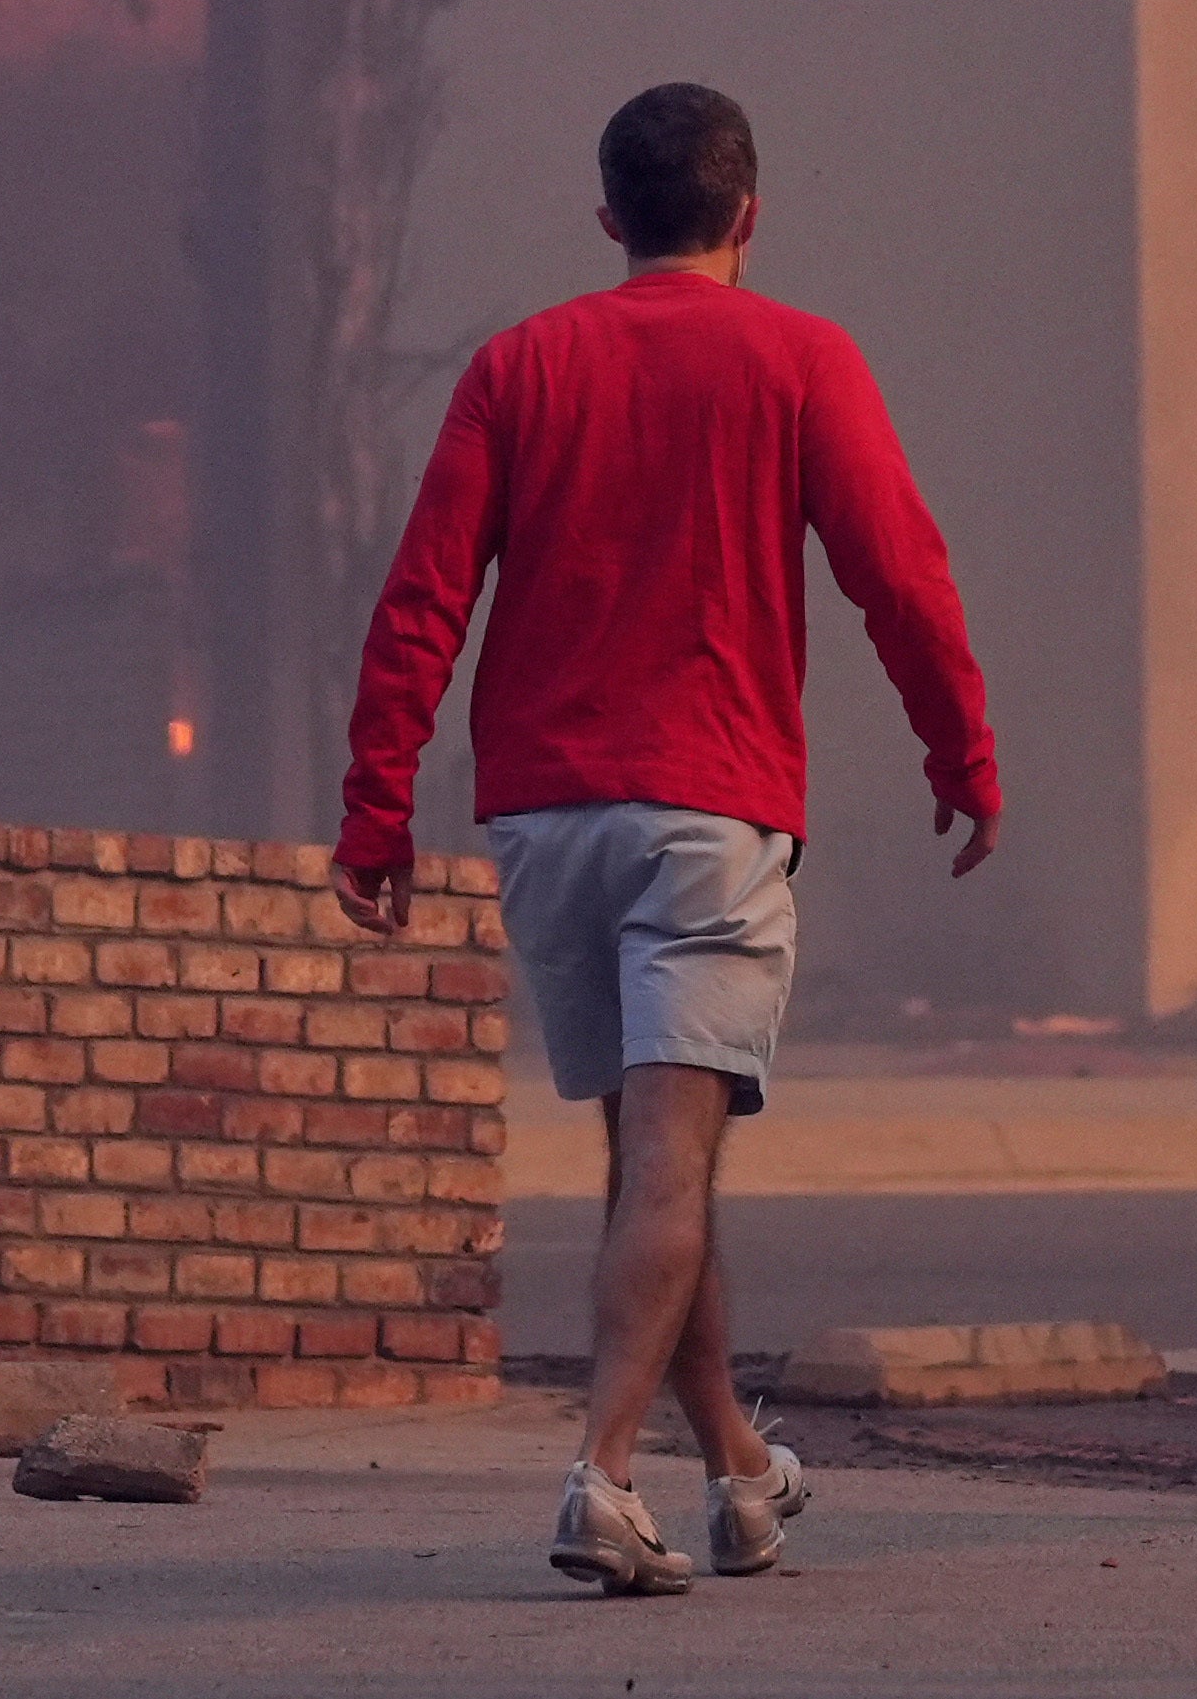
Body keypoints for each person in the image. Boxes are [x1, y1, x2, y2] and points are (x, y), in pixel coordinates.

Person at [331, 80, 1003, 1596]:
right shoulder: (801, 357)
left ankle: (745, 1477)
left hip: (549, 816)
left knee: (657, 1156)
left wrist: (380, 803)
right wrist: (958, 750)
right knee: (670, 1164)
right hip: (710, 805)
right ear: (748, 215)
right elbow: (899, 570)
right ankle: (605, 1475)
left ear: (610, 215)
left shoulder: (521, 364)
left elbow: (423, 597)